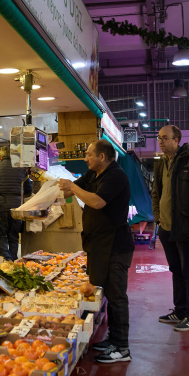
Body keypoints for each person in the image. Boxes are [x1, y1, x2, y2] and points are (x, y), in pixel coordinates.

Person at [58, 140, 134, 363]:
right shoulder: (93, 174)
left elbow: (98, 202)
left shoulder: (116, 176)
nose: (85, 159)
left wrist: (73, 188)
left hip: (115, 245)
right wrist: (46, 193)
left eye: (89, 155)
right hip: (99, 244)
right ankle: (114, 339)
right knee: (109, 293)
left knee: (117, 296)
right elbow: (70, 188)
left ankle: (122, 348)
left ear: (102, 157)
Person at [151, 125, 189, 332]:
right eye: (159, 138)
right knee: (176, 270)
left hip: (186, 227)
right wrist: (158, 218)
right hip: (166, 227)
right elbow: (156, 192)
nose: (161, 141)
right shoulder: (161, 163)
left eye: (165, 138)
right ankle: (180, 310)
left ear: (176, 140)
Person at [0, 146, 31, 261]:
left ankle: (6, 261)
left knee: (0, 235)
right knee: (14, 236)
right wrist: (18, 196)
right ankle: (13, 260)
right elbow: (28, 189)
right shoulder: (22, 170)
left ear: (0, 157)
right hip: (17, 207)